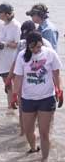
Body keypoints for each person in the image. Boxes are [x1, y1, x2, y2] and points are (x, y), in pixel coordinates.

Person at [11, 30, 62, 160]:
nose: (36, 50)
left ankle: (44, 159)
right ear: (28, 45)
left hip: (46, 98)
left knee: (44, 133)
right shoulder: (22, 56)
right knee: (28, 131)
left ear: (42, 44)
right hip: (28, 99)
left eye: (38, 46)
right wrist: (14, 95)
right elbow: (18, 78)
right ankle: (33, 149)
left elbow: (56, 74)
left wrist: (59, 90)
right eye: (32, 47)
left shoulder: (50, 53)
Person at [0, 3, 21, 107]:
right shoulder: (2, 25)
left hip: (12, 59)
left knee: (12, 83)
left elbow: (18, 44)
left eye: (0, 13)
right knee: (7, 84)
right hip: (3, 59)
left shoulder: (16, 25)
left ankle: (14, 105)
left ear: (7, 14)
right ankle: (11, 106)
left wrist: (5, 44)